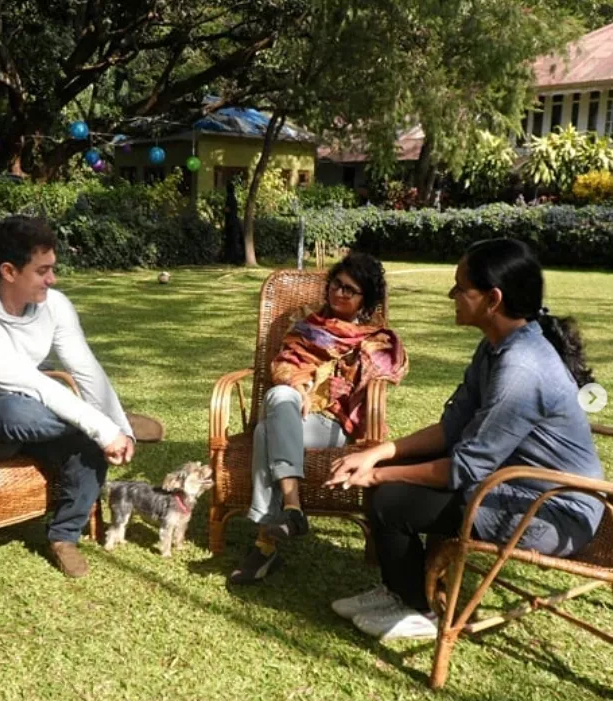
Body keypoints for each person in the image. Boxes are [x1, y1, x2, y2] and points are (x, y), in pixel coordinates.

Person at [326, 238, 604, 640]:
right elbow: (452, 428)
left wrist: (378, 475)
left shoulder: (522, 369)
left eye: (460, 287)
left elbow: (462, 469)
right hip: (512, 485)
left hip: (552, 511)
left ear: (493, 299)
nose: (451, 295)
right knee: (387, 475)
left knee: (391, 499)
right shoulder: (495, 347)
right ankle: (398, 589)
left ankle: (419, 609)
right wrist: (379, 454)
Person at [0, 215, 135, 578]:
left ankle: (64, 536)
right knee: (20, 410)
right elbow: (32, 383)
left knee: (85, 439)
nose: (53, 279)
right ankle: (88, 423)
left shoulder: (54, 305)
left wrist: (118, 428)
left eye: (52, 268)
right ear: (9, 271)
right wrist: (102, 428)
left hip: (36, 411)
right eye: (42, 270)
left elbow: (84, 367)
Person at [229, 252, 409, 584]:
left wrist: (332, 384)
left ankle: (266, 543)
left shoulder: (374, 340)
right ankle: (291, 511)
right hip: (293, 413)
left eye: (350, 290)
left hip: (335, 424)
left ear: (365, 299)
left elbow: (380, 376)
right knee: (279, 398)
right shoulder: (306, 324)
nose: (339, 292)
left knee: (265, 432)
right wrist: (302, 386)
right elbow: (283, 365)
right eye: (336, 284)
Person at [222, 181, 244, 264]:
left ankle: (233, 259)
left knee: (231, 241)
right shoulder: (233, 198)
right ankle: (233, 259)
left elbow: (228, 209)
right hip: (234, 222)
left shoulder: (229, 198)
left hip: (230, 223)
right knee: (233, 241)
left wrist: (223, 210)